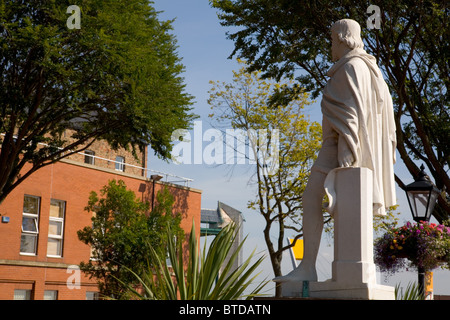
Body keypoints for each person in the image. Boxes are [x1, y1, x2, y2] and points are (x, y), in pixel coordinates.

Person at [276, 19, 396, 283]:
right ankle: (309, 269)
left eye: (333, 39)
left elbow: (352, 113)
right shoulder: (362, 67)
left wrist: (348, 148)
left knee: (315, 199)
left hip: (338, 147)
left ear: (343, 39)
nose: (331, 45)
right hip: (335, 144)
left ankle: (314, 268)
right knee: (315, 199)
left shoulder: (353, 67)